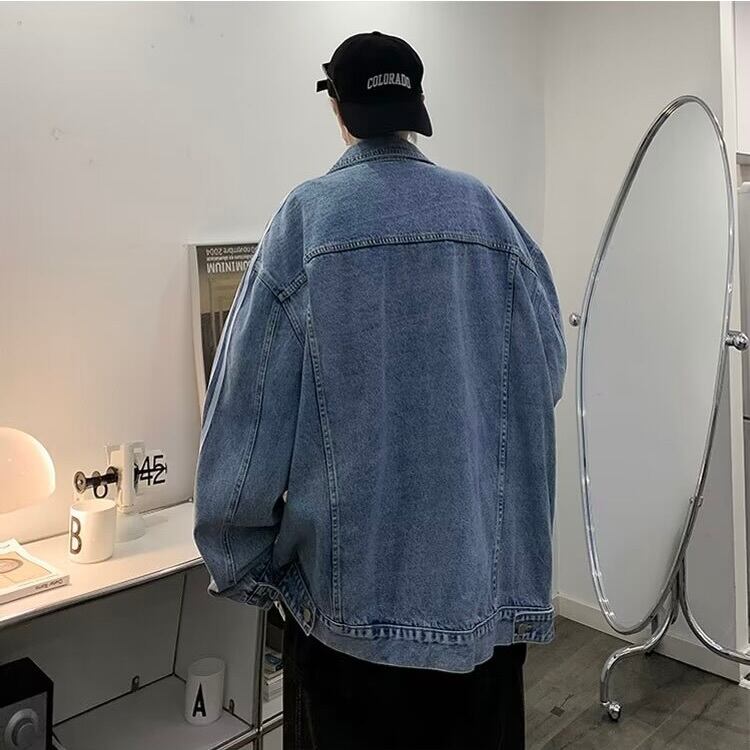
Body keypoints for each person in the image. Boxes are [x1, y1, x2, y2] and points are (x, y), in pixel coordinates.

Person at [194, 31, 565, 750]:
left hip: (348, 633)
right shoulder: (491, 216)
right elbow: (545, 376)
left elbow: (245, 424)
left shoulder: (307, 222)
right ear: (417, 110)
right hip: (483, 624)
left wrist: (251, 571)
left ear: (338, 108)